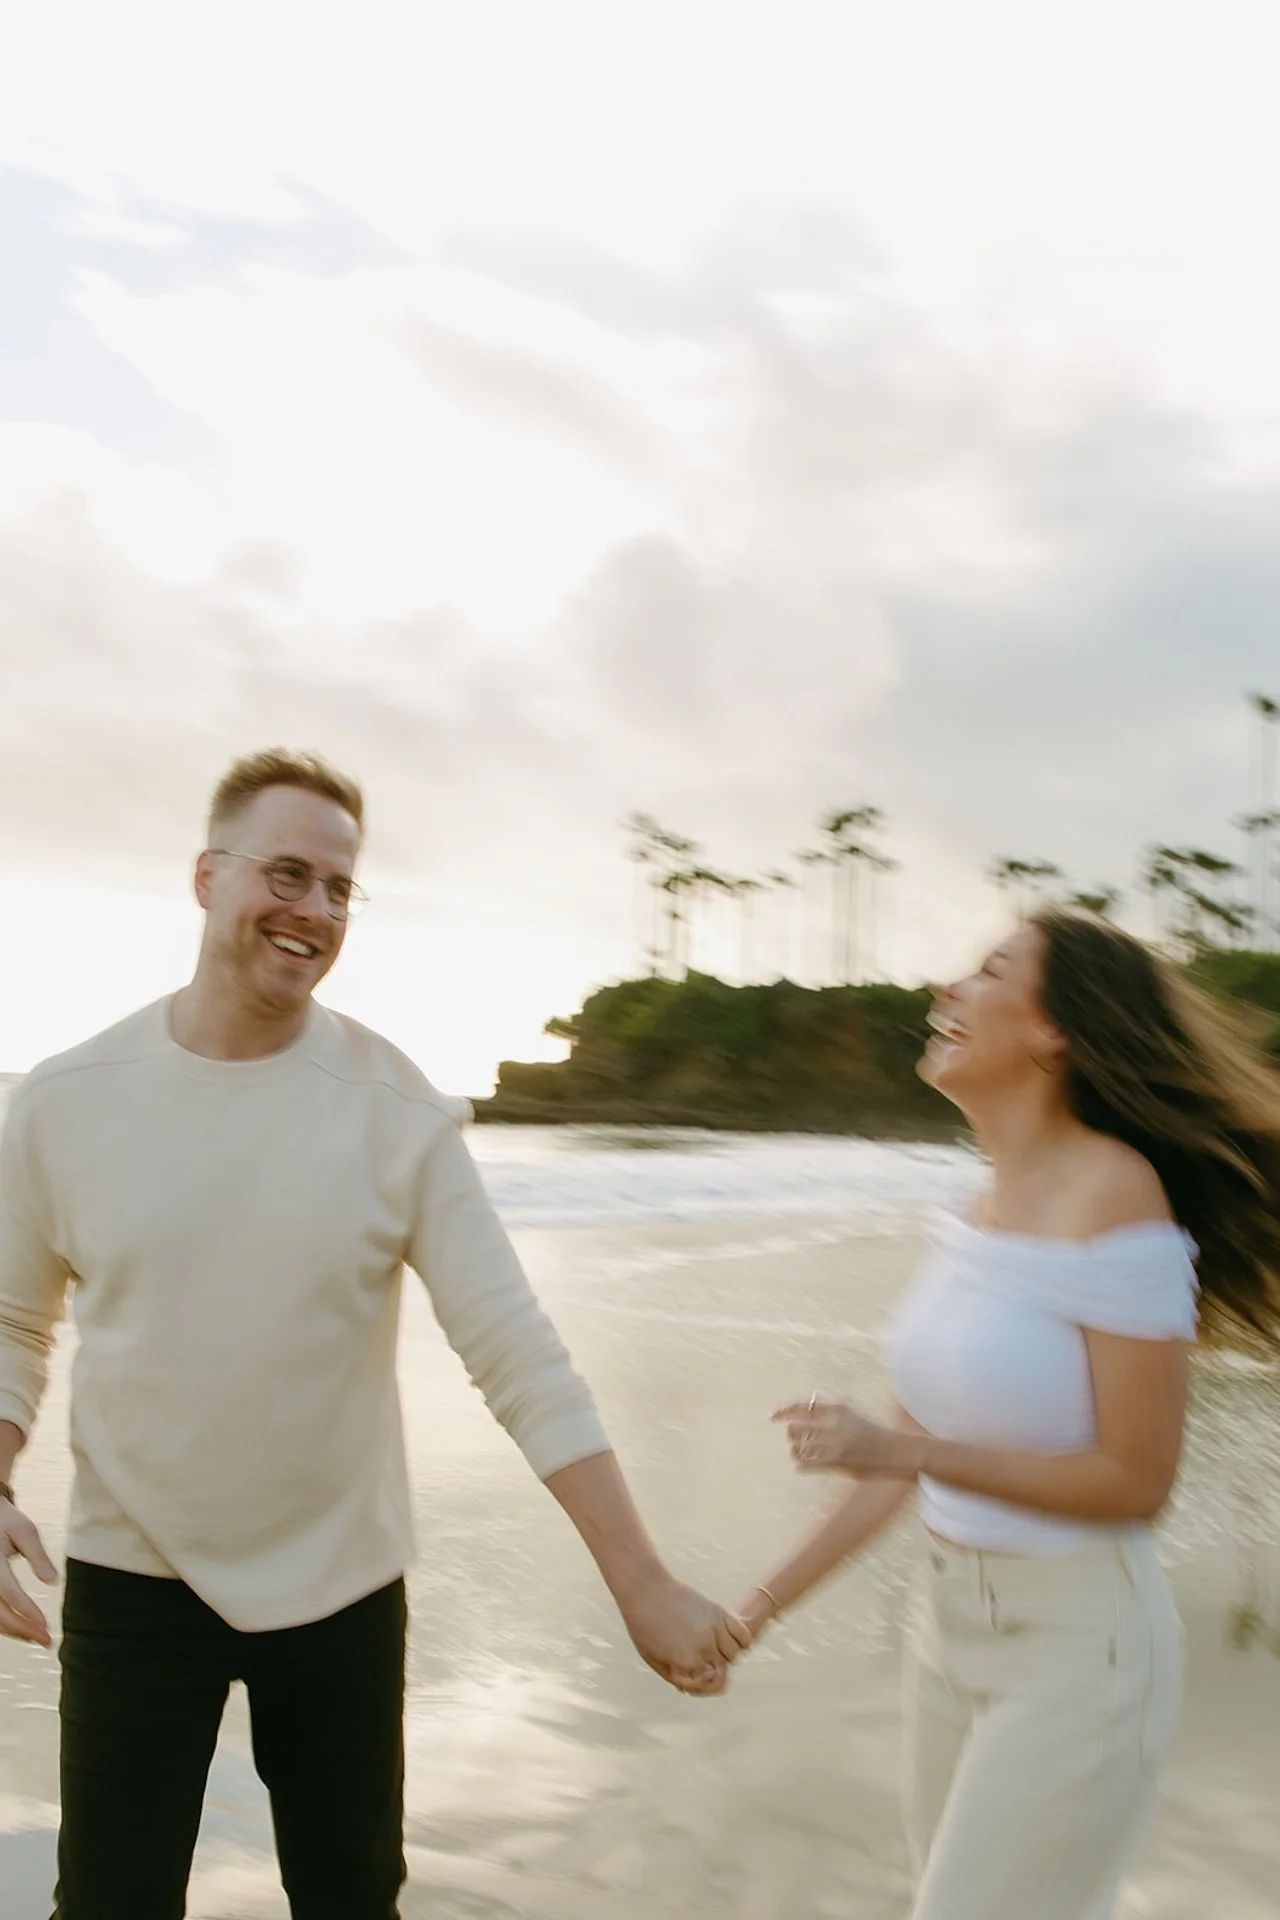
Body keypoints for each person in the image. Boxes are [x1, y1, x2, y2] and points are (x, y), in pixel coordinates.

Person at [0, 748, 748, 1920]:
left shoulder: (393, 1109)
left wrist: (638, 1580)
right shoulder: (62, 1099)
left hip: (340, 1583)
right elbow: (11, 1322)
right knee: (106, 1904)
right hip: (132, 1573)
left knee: (351, 1904)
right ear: (207, 877)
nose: (314, 912)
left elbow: (514, 1350)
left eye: (341, 888)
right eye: (287, 874)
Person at [737, 909, 1280, 1920]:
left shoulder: (1115, 1195)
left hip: (1078, 1652)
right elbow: (895, 1472)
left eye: (985, 972)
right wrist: (752, 1612)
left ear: (1053, 1031)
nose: (944, 992)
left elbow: (1134, 1481)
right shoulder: (969, 1205)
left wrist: (901, 1445)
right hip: (946, 1634)